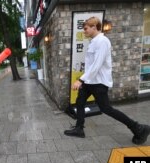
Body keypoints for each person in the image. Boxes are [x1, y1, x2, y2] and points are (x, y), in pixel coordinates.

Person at [64, 17, 150, 145]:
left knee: (106, 109)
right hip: (90, 82)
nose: (85, 31)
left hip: (98, 83)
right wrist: (84, 80)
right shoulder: (93, 42)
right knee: (80, 102)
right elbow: (91, 65)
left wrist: (81, 79)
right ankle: (79, 128)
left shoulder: (102, 41)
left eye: (86, 28)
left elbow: (97, 65)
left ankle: (138, 128)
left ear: (94, 27)